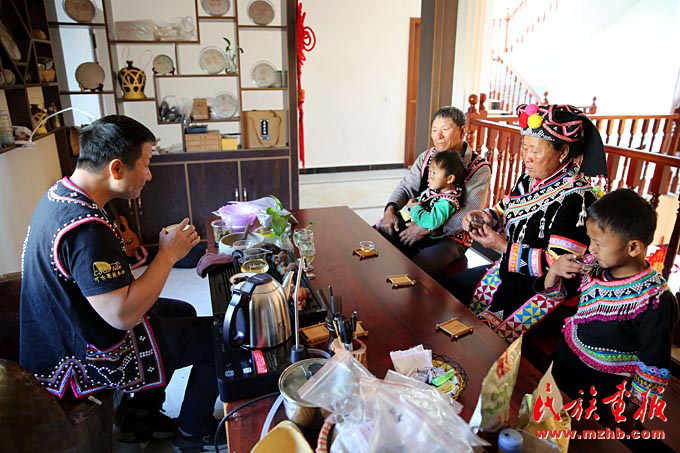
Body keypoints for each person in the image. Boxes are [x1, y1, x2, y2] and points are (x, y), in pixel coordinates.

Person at [19, 115, 224, 452]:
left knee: (183, 310)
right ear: (116, 168)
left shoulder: (62, 195)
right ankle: (192, 432)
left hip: (63, 331)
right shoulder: (86, 228)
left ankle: (140, 418)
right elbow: (122, 316)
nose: (149, 174)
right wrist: (168, 255)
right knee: (219, 337)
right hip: (82, 356)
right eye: (146, 164)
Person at [449, 103, 608, 342]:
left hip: (543, 287)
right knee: (450, 291)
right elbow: (506, 208)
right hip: (509, 271)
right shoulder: (529, 179)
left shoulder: (577, 198)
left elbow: (558, 265)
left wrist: (502, 247)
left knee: (484, 336)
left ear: (563, 152)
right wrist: (484, 217)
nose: (527, 158)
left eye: (535, 150)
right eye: (525, 148)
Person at [539, 189, 678, 419]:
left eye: (598, 243)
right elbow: (554, 296)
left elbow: (652, 367)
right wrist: (554, 271)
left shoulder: (655, 299)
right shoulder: (592, 267)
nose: (591, 248)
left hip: (601, 392)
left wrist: (630, 416)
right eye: (590, 240)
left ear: (633, 248)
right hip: (562, 364)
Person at [378, 106, 490, 274]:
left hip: (451, 236)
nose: (438, 136)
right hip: (417, 220)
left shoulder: (478, 168)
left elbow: (469, 212)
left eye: (445, 129)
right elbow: (406, 187)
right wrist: (389, 211)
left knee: (416, 267)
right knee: (376, 240)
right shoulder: (427, 156)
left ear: (463, 131)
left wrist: (428, 228)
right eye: (434, 130)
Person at [402, 151, 466, 239]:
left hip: (426, 238)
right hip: (415, 219)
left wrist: (415, 208)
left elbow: (432, 222)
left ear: (450, 178)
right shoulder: (439, 190)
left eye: (434, 173)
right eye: (430, 171)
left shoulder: (446, 203)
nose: (430, 177)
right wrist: (414, 202)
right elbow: (426, 198)